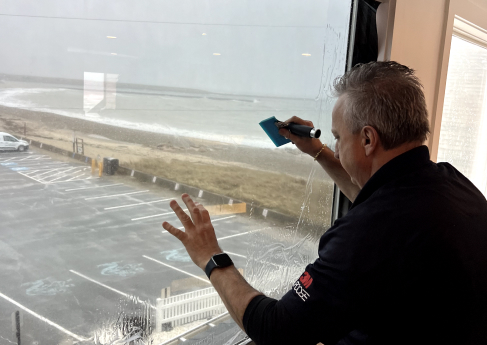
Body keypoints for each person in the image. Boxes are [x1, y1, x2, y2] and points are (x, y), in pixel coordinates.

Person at [161, 61, 487, 345]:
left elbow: (277, 330)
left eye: (338, 136)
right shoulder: (451, 184)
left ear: (368, 139)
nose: (335, 144)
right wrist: (318, 151)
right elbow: (380, 205)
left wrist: (211, 257)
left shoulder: (367, 233)